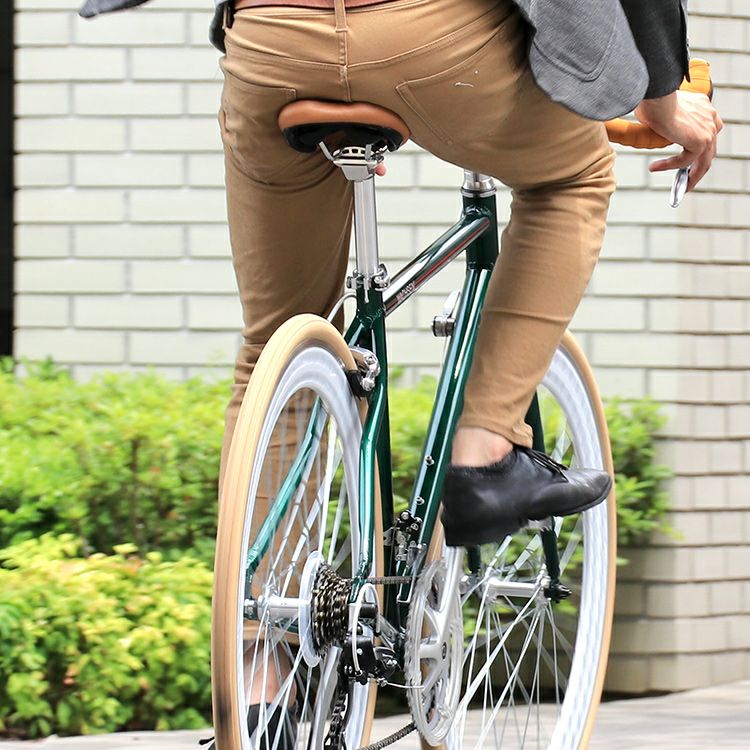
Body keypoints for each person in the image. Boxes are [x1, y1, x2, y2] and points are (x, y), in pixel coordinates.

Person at [80, 0, 722, 745]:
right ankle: (484, 449)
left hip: (270, 41)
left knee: (274, 349)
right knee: (575, 173)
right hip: (431, 41)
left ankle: (259, 680)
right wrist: (662, 98)